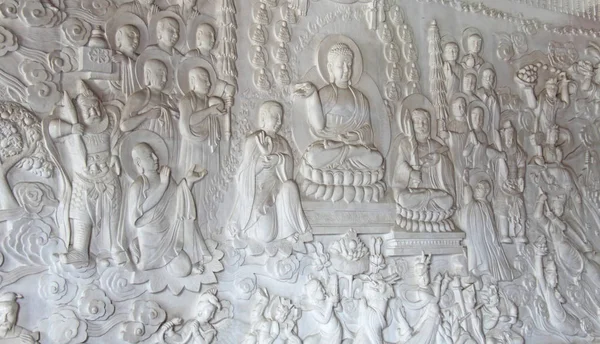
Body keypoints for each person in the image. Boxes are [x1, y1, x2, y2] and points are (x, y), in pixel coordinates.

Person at [293, 43, 384, 201]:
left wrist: (356, 136)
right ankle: (349, 153)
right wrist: (313, 95)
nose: (346, 70)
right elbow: (318, 126)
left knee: (377, 159)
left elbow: (367, 130)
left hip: (354, 149)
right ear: (330, 68)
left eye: (349, 65)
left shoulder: (360, 98)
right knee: (313, 157)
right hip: (330, 148)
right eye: (340, 65)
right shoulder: (327, 93)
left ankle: (351, 152)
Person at [49, 81, 123, 266]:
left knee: (113, 213)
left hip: (107, 176)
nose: (94, 112)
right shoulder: (75, 131)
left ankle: (116, 247)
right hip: (85, 179)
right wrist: (72, 130)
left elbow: (116, 140)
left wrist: (115, 155)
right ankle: (80, 250)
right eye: (88, 110)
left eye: (96, 108)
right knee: (81, 212)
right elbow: (52, 129)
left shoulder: (107, 127)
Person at [228, 101, 311, 251]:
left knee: (290, 186)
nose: (279, 121)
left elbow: (289, 173)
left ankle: (289, 230)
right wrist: (259, 165)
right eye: (275, 117)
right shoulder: (253, 140)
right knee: (265, 235)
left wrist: (278, 159)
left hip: (277, 192)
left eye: (281, 118)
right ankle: (252, 226)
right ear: (264, 117)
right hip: (257, 195)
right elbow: (242, 174)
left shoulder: (282, 142)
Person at [127, 142, 209, 276]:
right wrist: (162, 186)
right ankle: (141, 255)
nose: (155, 158)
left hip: (171, 233)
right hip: (151, 239)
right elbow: (136, 218)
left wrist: (189, 181)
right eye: (149, 156)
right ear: (139, 163)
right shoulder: (138, 186)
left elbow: (179, 199)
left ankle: (182, 256)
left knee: (188, 221)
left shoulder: (165, 178)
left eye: (155, 154)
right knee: (182, 270)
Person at [392, 108, 456, 232]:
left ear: (429, 123)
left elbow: (449, 168)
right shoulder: (406, 144)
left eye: (425, 122)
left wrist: (439, 160)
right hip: (414, 193)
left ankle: (430, 194)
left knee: (448, 201)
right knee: (403, 199)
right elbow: (400, 165)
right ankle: (429, 196)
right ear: (412, 124)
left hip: (435, 190)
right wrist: (411, 172)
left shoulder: (436, 146)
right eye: (418, 122)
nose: (422, 125)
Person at [121, 59, 179, 165]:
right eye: (160, 74)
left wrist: (174, 112)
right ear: (148, 75)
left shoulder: (167, 99)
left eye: (166, 75)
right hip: (147, 150)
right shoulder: (139, 97)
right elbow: (124, 126)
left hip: (168, 146)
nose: (164, 79)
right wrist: (146, 115)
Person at [460, 169, 513, 281]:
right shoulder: (477, 204)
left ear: (487, 191)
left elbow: (489, 226)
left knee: (479, 248)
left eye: (480, 188)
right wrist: (465, 183)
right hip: (473, 234)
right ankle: (474, 271)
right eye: (477, 187)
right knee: (473, 247)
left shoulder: (484, 205)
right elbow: (467, 201)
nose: (477, 189)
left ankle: (483, 268)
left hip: (484, 237)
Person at [112, 25, 140, 98]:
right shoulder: (112, 57)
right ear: (119, 38)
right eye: (131, 35)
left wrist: (126, 61)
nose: (136, 41)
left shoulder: (140, 59)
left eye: (137, 37)